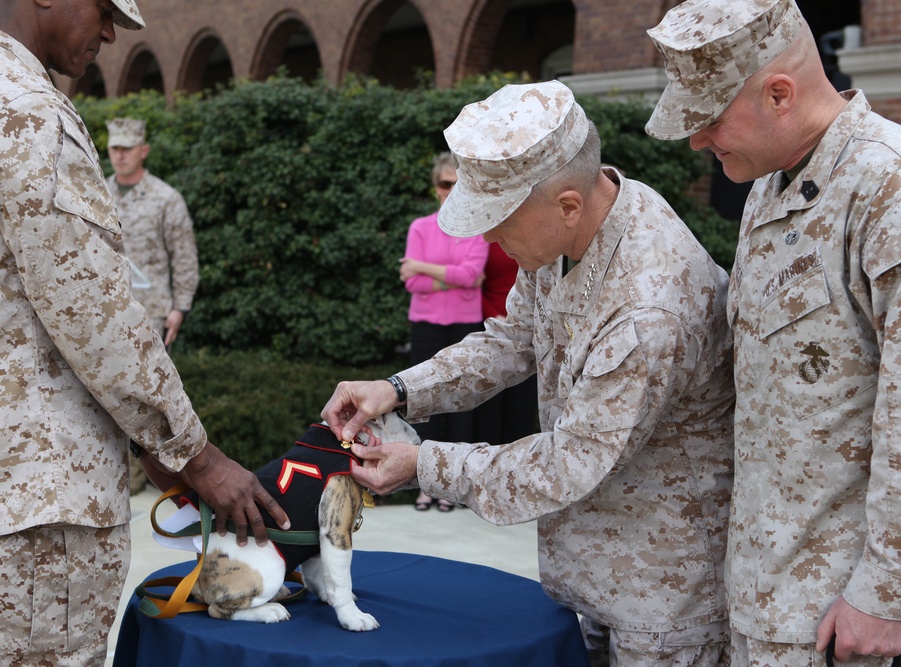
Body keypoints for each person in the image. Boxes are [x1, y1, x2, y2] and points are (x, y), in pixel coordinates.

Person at [323, 80, 736, 666]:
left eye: (498, 220)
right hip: (595, 568)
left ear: (567, 203)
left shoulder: (649, 308)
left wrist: (423, 465)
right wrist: (397, 390)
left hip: (663, 600)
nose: (489, 237)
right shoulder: (575, 226)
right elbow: (513, 339)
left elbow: (569, 462)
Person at [644, 1, 901, 665]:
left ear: (779, 92)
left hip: (846, 614)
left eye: (710, 117)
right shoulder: (770, 184)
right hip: (767, 590)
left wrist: (888, 591)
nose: (697, 141)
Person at [0, 1, 289, 663]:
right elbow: (94, 317)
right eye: (104, 9)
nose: (108, 31)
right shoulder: (29, 112)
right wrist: (197, 456)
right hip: (39, 507)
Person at [106, 116, 200, 495]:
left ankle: (157, 472)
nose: (120, 155)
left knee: (154, 394)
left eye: (127, 148)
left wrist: (181, 307)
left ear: (143, 150)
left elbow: (184, 256)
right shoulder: (98, 192)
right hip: (108, 312)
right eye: (115, 148)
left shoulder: (165, 198)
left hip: (153, 311)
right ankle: (123, 474)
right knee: (111, 391)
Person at [401, 151, 489, 512]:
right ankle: (424, 484)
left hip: (465, 323)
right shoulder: (420, 227)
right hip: (425, 325)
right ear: (435, 188)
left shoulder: (477, 227)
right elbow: (411, 284)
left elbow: (471, 277)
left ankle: (454, 486)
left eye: (458, 183)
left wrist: (424, 267)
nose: (451, 190)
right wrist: (451, 277)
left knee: (461, 405)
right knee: (424, 403)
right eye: (445, 183)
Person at [471, 241, 538, 445]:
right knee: (487, 408)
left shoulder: (537, 244)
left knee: (521, 409)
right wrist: (493, 315)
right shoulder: (485, 241)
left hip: (529, 330)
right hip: (494, 325)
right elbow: (473, 284)